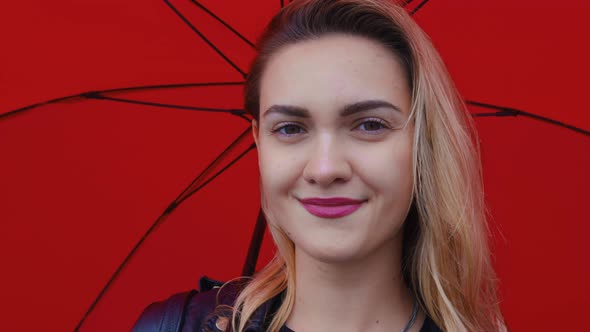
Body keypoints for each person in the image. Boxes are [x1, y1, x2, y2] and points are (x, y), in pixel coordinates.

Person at [135, 0, 507, 331]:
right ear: (258, 140)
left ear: (421, 141)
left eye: (370, 124)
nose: (325, 168)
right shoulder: (172, 326)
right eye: (291, 128)